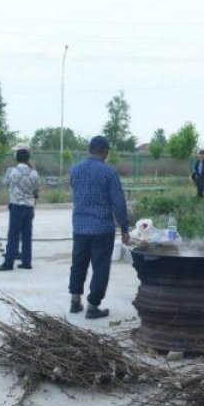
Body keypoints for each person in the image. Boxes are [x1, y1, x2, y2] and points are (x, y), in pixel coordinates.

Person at [68, 136, 130, 319]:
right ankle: (93, 306)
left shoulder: (75, 170)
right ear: (104, 151)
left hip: (80, 228)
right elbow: (119, 203)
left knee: (78, 264)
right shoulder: (109, 172)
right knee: (100, 267)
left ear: (90, 150)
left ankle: (75, 301)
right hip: (102, 229)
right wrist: (124, 228)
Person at [0, 146, 41, 271]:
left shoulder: (11, 171)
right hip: (29, 206)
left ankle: (8, 263)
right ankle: (26, 262)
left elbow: (5, 182)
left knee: (13, 235)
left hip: (16, 206)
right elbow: (36, 188)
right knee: (27, 235)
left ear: (16, 158)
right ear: (28, 158)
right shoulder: (34, 173)